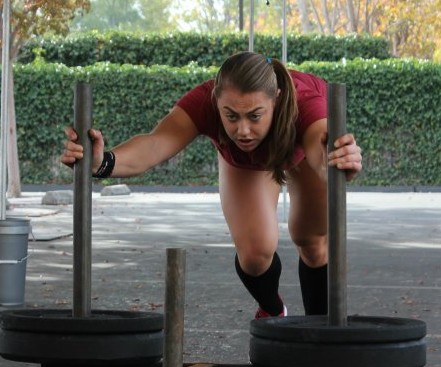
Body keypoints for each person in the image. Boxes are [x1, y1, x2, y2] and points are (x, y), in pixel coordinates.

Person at [62, 51, 362, 319]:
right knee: (256, 254)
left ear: (278, 99)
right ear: (216, 101)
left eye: (255, 116)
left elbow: (319, 150)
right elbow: (155, 145)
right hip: (246, 166)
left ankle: (321, 335)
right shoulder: (203, 102)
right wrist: (101, 162)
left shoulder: (307, 101)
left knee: (312, 242)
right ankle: (273, 309)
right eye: (230, 116)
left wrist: (338, 162)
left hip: (300, 154)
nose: (242, 130)